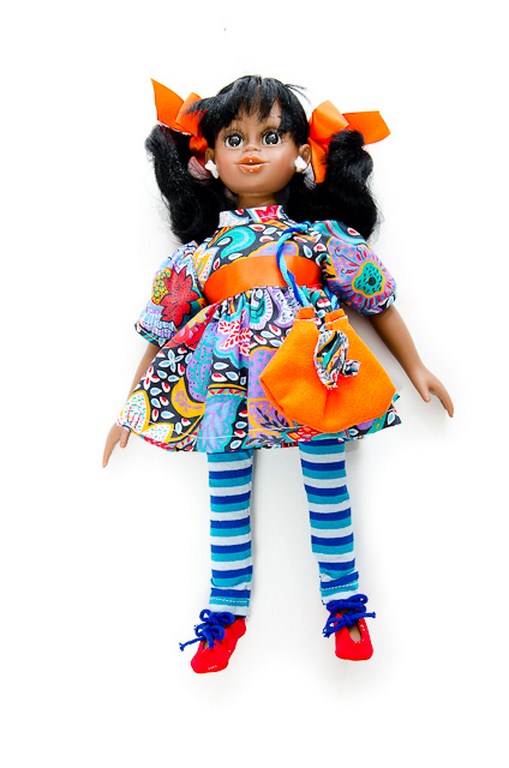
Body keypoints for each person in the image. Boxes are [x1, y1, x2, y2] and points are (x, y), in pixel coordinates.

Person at [102, 76, 453, 674]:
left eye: (270, 137)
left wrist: (416, 365)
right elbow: (162, 329)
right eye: (233, 138)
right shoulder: (200, 253)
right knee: (225, 489)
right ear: (207, 157)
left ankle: (345, 603)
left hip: (311, 365)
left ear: (302, 153)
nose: (251, 151)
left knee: (328, 483)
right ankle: (225, 609)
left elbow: (375, 299)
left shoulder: (317, 237)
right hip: (223, 378)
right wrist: (131, 407)